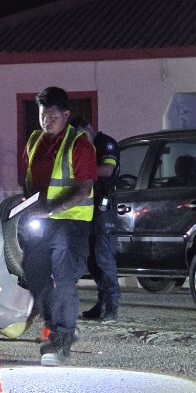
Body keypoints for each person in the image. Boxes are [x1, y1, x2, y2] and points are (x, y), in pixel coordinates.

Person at [19, 87, 97, 366]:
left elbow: (84, 189)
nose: (46, 122)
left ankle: (61, 339)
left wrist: (51, 209)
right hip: (41, 222)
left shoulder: (80, 145)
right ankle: (62, 327)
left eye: (52, 117)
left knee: (63, 281)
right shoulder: (34, 141)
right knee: (33, 273)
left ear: (65, 115)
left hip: (71, 222)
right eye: (42, 116)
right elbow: (28, 179)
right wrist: (27, 204)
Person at [72, 117, 121, 323]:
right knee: (92, 261)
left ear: (90, 128)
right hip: (87, 209)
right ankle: (102, 304)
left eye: (83, 134)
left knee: (104, 258)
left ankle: (112, 307)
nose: (81, 139)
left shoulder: (105, 144)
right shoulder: (80, 147)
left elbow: (107, 170)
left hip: (103, 208)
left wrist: (81, 173)